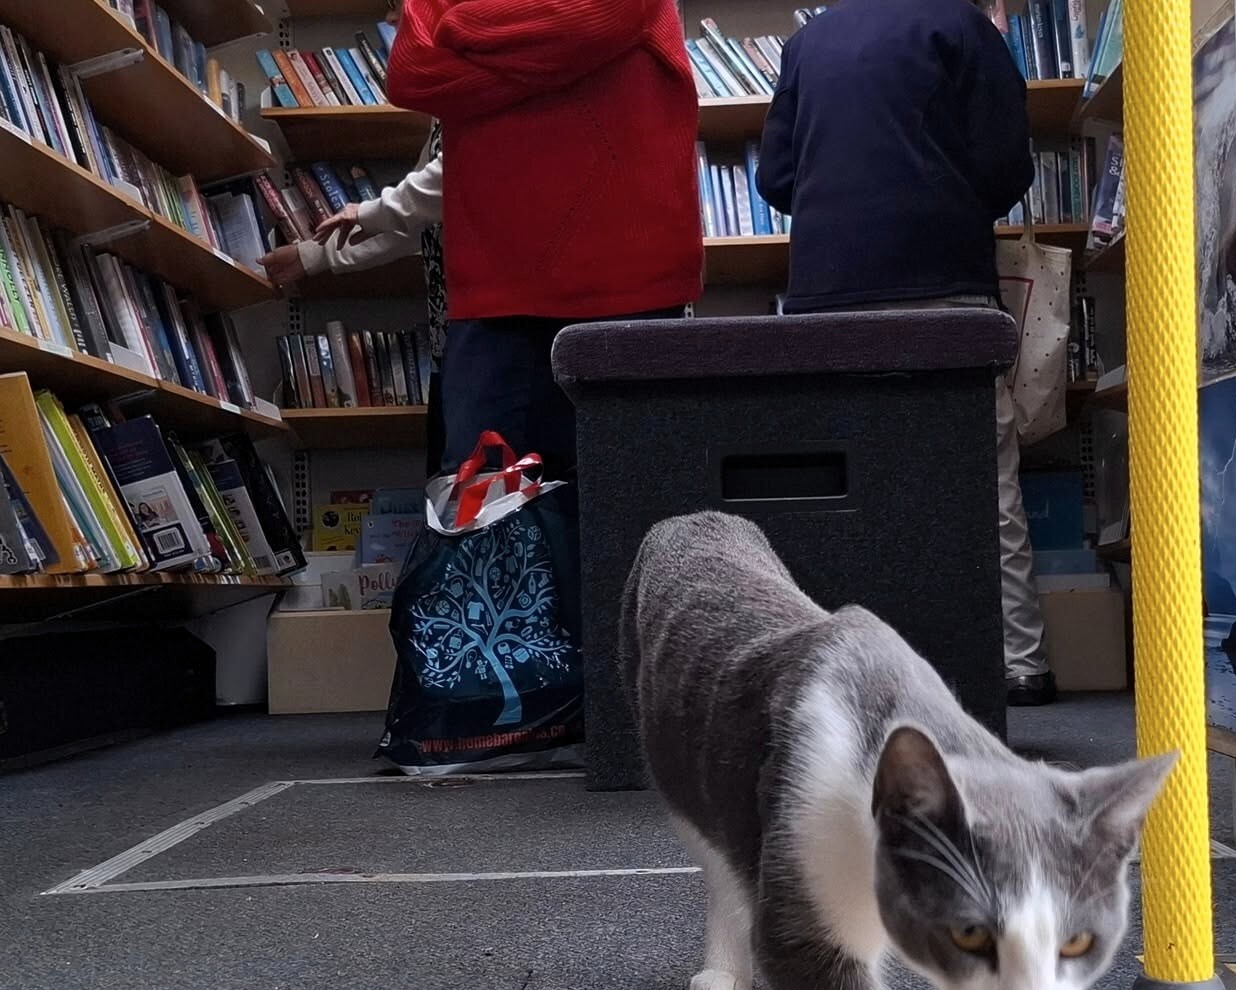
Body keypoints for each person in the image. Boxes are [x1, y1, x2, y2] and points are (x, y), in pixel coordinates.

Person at [756, 0, 1055, 707]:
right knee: (985, 477)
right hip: (942, 284)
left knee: (842, 486)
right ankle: (1020, 662)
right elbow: (1008, 164)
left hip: (828, 296)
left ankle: (841, 665)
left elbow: (774, 179)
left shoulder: (806, 42)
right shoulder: (961, 27)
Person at [386, 0, 702, 476]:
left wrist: (457, 21)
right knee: (485, 516)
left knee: (629, 506)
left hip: (622, 291)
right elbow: (410, 72)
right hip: (498, 297)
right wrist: (550, 58)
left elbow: (608, 13)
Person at [260, 128, 449, 473]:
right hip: (451, 346)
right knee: (452, 490)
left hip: (498, 337)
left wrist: (364, 213)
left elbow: (448, 183)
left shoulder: (493, 95)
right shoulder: (445, 117)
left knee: (496, 495)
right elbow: (412, 220)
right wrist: (311, 255)